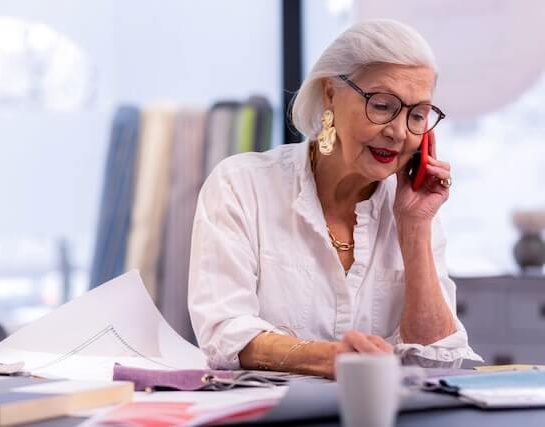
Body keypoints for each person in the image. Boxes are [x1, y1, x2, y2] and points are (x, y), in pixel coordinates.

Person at [187, 19, 482, 378]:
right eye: (382, 105)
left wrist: (414, 227)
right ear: (330, 93)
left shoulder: (414, 211)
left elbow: (437, 362)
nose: (398, 132)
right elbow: (223, 333)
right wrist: (330, 358)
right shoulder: (241, 186)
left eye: (417, 115)